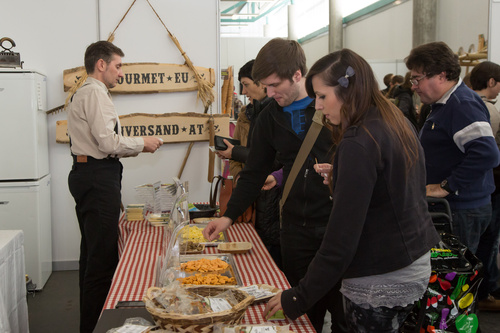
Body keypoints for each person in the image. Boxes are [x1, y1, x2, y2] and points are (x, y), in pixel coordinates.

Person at [263, 48, 440, 332]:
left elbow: (341, 240)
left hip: (381, 273)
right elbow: (396, 187)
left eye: (322, 96)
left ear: (347, 90)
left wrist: (298, 296)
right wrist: (344, 177)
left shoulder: (358, 141)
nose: (317, 106)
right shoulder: (393, 119)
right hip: (412, 263)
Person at [203, 38, 346, 333]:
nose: (268, 93)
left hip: (337, 226)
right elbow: (254, 171)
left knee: (344, 314)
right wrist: (228, 217)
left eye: (273, 85)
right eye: (264, 86)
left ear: (297, 75)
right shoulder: (268, 116)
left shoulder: (335, 108)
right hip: (294, 228)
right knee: (304, 315)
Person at [67, 41, 163, 333]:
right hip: (97, 176)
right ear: (101, 65)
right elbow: (107, 143)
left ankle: (89, 324)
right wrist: (142, 143)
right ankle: (96, 327)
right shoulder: (95, 93)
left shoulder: (86, 92)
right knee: (102, 260)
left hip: (89, 174)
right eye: (118, 65)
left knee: (91, 255)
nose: (120, 72)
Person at [405, 42, 500, 305]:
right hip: (457, 209)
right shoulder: (444, 104)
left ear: (442, 75)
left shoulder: (461, 104)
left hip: (460, 210)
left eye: (417, 78)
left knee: (452, 290)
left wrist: (446, 186)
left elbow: (487, 153)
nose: (413, 85)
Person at [215, 59, 282, 268]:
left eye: (246, 84)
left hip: (270, 192)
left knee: (271, 252)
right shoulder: (250, 112)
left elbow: (269, 158)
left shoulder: (274, 114)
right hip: (253, 188)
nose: (243, 91)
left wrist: (236, 152)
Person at [470, 61, 500, 310]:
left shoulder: (467, 104)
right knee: (486, 243)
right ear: (491, 82)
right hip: (484, 189)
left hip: (473, 191)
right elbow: (490, 154)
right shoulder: (488, 110)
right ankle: (482, 294)